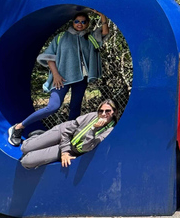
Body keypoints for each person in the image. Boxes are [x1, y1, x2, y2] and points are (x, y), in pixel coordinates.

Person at [8, 11, 110, 146]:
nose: (80, 24)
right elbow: (50, 56)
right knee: (52, 106)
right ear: (72, 22)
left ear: (87, 24)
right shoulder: (62, 37)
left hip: (81, 79)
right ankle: (18, 127)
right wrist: (55, 74)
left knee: (75, 107)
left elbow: (104, 33)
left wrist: (102, 17)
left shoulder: (90, 38)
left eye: (83, 22)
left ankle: (69, 137)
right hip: (62, 78)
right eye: (77, 21)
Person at [19, 99, 117, 169]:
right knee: (25, 148)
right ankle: (38, 136)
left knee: (26, 162)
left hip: (72, 149)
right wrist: (65, 152)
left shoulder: (110, 131)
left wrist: (93, 130)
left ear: (114, 112)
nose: (103, 114)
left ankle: (47, 142)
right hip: (62, 133)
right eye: (101, 111)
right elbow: (66, 131)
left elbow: (87, 148)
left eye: (108, 111)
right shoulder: (91, 116)